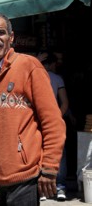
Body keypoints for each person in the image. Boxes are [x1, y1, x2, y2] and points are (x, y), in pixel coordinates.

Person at [0, 13, 66, 205]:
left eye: (0, 33)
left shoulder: (29, 66)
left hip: (25, 176)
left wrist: (49, 169)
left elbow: (53, 121)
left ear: (11, 38)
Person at [38, 51, 69, 201]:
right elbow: (65, 102)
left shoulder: (33, 76)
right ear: (50, 64)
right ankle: (60, 187)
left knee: (39, 153)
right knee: (59, 153)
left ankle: (42, 191)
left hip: (37, 122)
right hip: (52, 120)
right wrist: (57, 117)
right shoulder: (57, 78)